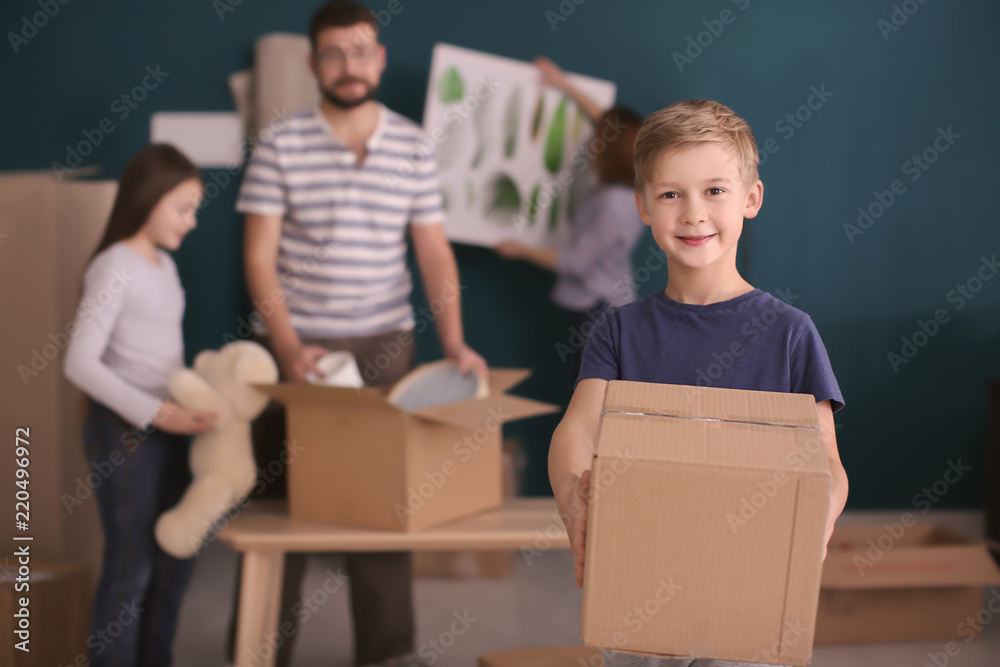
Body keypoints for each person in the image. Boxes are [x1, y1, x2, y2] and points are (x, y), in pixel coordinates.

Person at [548, 100, 849, 667]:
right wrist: (574, 504)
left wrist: (814, 522)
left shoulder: (790, 335)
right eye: (670, 194)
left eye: (715, 191)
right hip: (638, 583)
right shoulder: (618, 330)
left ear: (751, 199)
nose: (692, 214)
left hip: (749, 586)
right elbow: (576, 432)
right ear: (642, 207)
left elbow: (827, 464)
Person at [233, 2, 487, 666]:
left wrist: (455, 339)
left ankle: (388, 654)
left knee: (382, 507)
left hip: (384, 347)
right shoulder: (281, 142)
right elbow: (258, 255)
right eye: (335, 53)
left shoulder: (410, 143)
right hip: (291, 351)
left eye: (362, 50)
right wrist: (288, 349)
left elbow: (433, 251)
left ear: (377, 57)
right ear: (314, 64)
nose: (350, 65)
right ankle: (260, 651)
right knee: (279, 509)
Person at [63, 143, 214, 667]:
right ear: (147, 198)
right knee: (131, 570)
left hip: (169, 428)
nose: (191, 222)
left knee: (176, 560)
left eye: (195, 210)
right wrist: (156, 413)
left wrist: (190, 405)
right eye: (183, 207)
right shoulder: (115, 266)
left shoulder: (165, 267)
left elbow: (160, 356)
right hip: (124, 434)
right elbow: (78, 363)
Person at [495, 57, 646, 382]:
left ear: (608, 150)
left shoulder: (614, 203)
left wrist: (520, 249)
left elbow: (577, 261)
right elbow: (607, 126)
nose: (591, 145)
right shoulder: (631, 186)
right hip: (600, 304)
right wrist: (562, 84)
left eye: (597, 142)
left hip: (600, 308)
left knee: (592, 395)